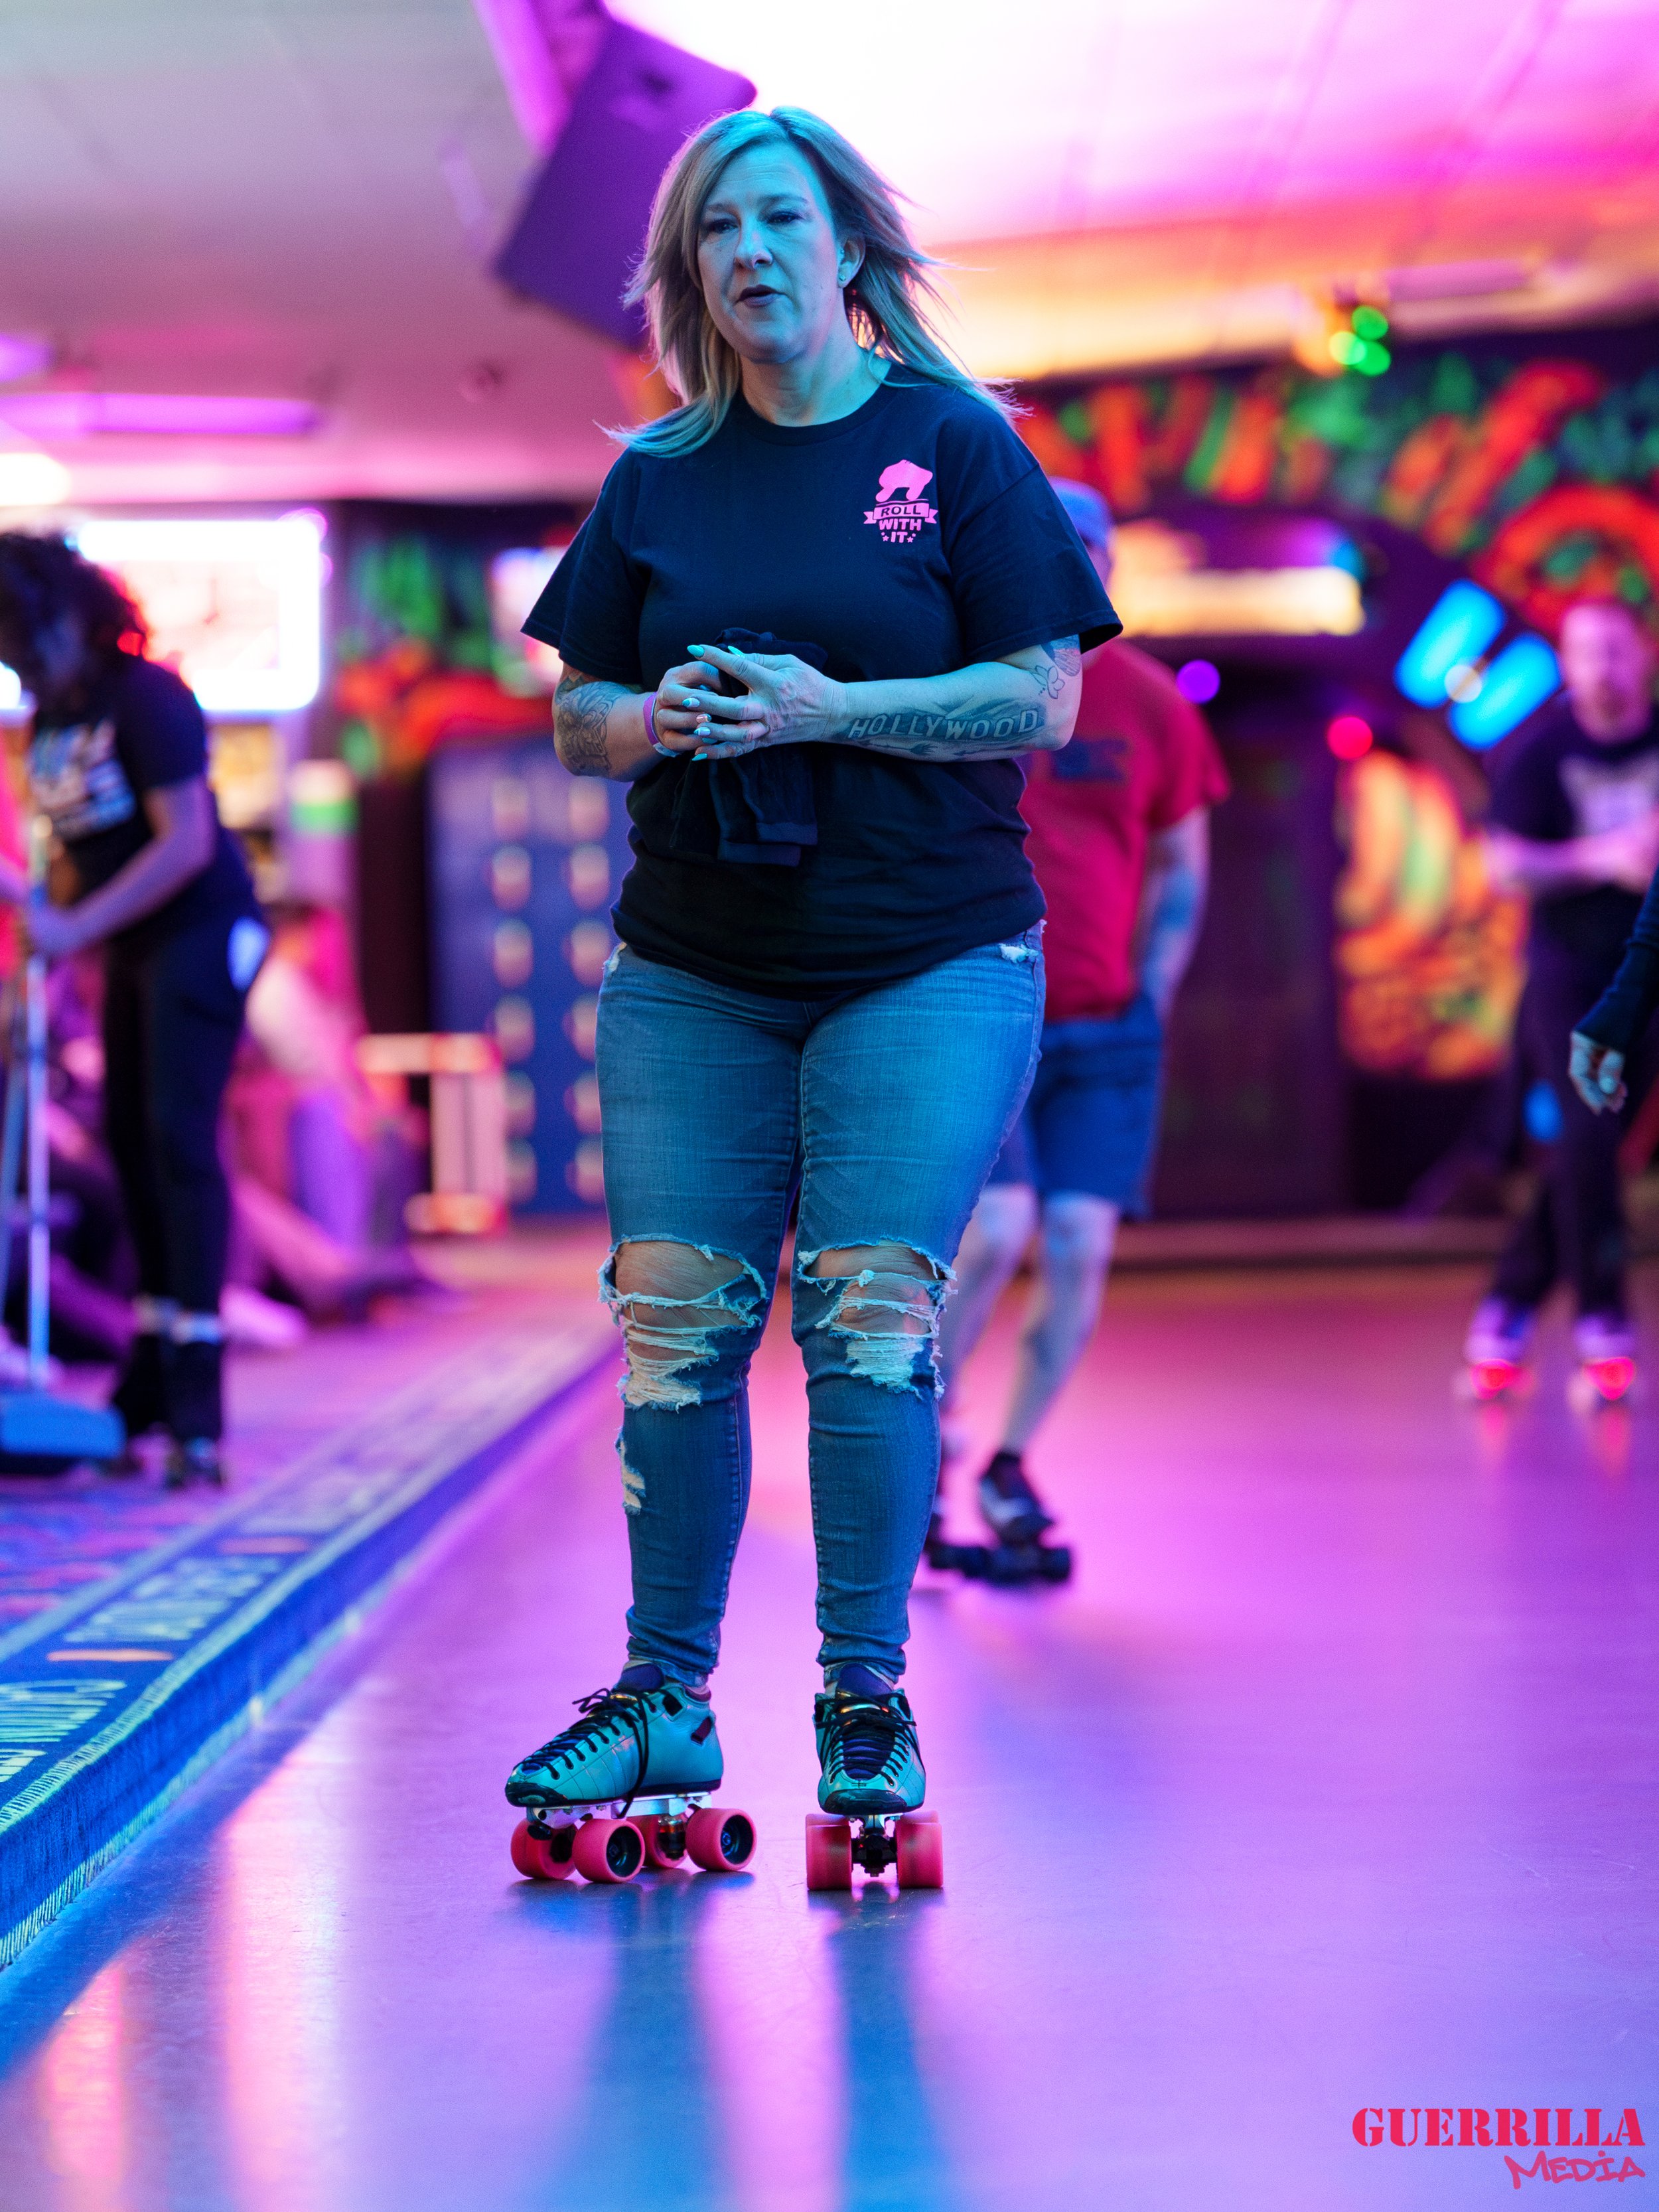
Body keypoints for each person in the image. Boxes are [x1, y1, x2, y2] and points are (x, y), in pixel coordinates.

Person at [501, 106, 1116, 1836]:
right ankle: (661, 1701)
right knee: (674, 1322)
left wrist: (832, 709)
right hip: (696, 964)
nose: (750, 254)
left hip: (921, 954)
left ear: (845, 243)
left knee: (866, 1307)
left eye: (778, 219)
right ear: (691, 273)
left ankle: (863, 1701)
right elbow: (574, 717)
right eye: (717, 233)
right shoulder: (659, 476)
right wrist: (656, 716)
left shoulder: (954, 444)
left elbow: (1039, 695)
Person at [930, 482, 1227, 1573]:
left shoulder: (1151, 702)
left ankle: (1010, 1460)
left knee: (1079, 1246)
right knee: (1001, 1227)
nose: (1073, 568)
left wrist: (1153, 986)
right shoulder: (967, 689)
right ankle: (931, 1426)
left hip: (1107, 1028)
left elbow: (1185, 864)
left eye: (1089, 552)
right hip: (989, 1015)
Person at [0, 533, 268, 1482]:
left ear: (69, 616)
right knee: (129, 1143)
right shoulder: (52, 721)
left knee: (177, 1141)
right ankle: (149, 1380)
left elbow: (186, 842)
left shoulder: (147, 697)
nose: (25, 667)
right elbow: (72, 851)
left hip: (202, 932)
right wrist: (57, 934)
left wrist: (77, 931)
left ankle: (197, 1398)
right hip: (126, 945)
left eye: (30, 645)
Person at [1465, 597, 1659, 1396]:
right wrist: (1602, 859)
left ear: (1642, 653)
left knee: (1599, 1142)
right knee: (1586, 1131)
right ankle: (1600, 1317)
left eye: (1614, 650)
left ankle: (1508, 1304)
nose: (1603, 669)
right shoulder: (1541, 754)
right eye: (1585, 653)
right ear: (1568, 664)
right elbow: (1503, 865)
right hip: (1570, 979)